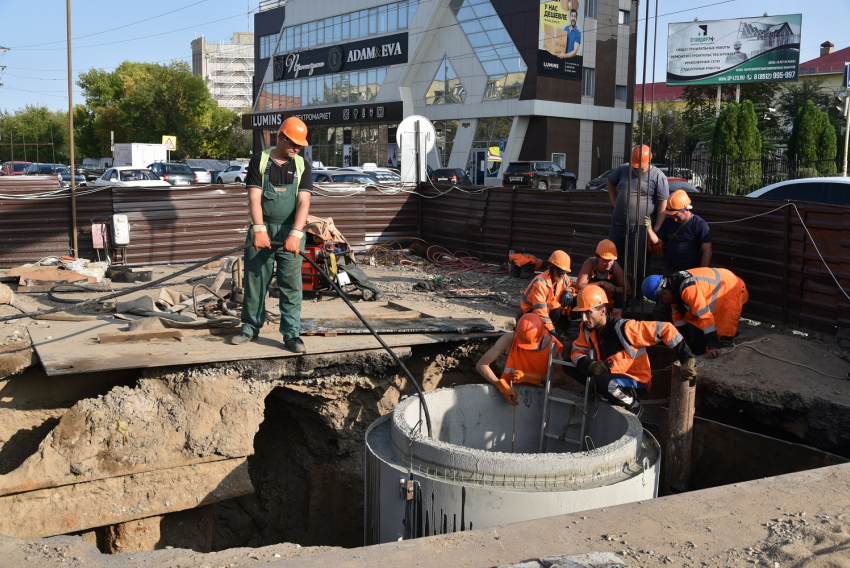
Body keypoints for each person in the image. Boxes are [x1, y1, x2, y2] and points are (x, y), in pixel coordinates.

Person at [231, 117, 313, 353]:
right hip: (263, 230)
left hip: (291, 231)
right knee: (255, 281)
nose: (297, 148)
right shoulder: (261, 160)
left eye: (300, 145)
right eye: (294, 144)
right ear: (280, 137)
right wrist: (259, 230)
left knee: (291, 285)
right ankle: (249, 327)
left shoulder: (302, 166)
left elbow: (304, 203)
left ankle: (291, 334)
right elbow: (254, 198)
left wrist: (296, 234)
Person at [570, 285, 697, 415]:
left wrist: (686, 356)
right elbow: (576, 351)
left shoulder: (626, 328)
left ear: (602, 311)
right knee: (569, 366)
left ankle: (634, 405)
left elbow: (666, 329)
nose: (584, 318)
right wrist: (590, 365)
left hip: (637, 380)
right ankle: (599, 390)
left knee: (605, 383)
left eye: (588, 312)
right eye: (582, 313)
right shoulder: (587, 328)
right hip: (611, 376)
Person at [642, 268, 748, 358]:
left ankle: (721, 353)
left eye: (660, 301)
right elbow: (679, 321)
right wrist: (684, 345)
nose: (663, 304)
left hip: (732, 290)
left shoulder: (688, 289)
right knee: (699, 342)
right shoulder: (674, 288)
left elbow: (704, 316)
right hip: (723, 283)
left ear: (663, 294)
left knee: (715, 344)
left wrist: (713, 345)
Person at [476, 313, 579, 405]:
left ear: (542, 335)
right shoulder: (510, 339)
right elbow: (481, 365)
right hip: (510, 394)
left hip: (541, 400)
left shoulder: (553, 346)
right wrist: (499, 385)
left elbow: (563, 378)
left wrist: (531, 377)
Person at [607, 145, 669, 287]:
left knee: (639, 263)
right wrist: (615, 202)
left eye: (639, 168)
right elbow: (610, 182)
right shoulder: (624, 169)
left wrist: (657, 228)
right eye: (634, 167)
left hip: (640, 229)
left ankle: (638, 294)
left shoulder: (658, 176)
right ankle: (617, 292)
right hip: (618, 226)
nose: (636, 170)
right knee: (614, 260)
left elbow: (662, 203)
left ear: (649, 160)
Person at [645, 190, 712, 276]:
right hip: (670, 270)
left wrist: (702, 274)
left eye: (677, 216)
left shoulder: (699, 224)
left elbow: (707, 251)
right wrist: (649, 229)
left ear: (686, 209)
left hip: (690, 272)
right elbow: (657, 241)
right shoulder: (668, 221)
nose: (675, 219)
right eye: (672, 216)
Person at [520, 250, 576, 339]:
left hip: (551, 311)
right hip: (531, 313)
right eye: (559, 272)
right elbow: (540, 311)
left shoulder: (564, 277)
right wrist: (552, 330)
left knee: (575, 299)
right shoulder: (540, 282)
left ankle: (566, 326)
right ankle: (550, 327)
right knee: (554, 305)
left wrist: (569, 290)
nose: (561, 275)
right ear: (551, 267)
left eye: (564, 272)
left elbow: (571, 286)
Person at [575, 239, 630, 317]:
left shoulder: (615, 266)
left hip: (606, 299)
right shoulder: (590, 263)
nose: (608, 264)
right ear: (598, 257)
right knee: (575, 298)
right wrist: (601, 284)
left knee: (622, 299)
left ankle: (615, 321)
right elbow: (579, 286)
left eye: (610, 260)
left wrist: (612, 288)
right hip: (590, 298)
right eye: (605, 260)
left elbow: (628, 290)